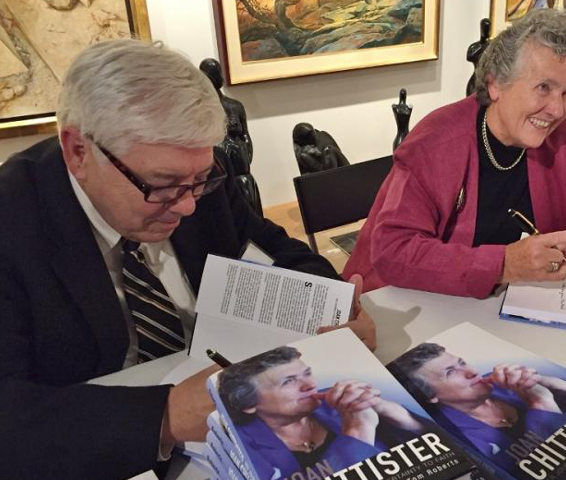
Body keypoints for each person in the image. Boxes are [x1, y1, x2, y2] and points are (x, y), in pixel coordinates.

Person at [0, 39, 375, 479]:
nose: (188, 206)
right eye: (162, 184)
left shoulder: (195, 177)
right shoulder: (13, 222)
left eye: (199, 180)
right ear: (79, 152)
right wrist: (165, 415)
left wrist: (334, 309)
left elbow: (278, 247)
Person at [344, 9, 566, 298]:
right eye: (543, 87)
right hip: (405, 309)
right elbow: (393, 252)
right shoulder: (436, 143)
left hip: (505, 312)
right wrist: (503, 264)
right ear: (495, 85)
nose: (558, 109)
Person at [217, 346, 425, 480]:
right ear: (249, 403)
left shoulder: (340, 401)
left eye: (307, 374)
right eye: (288, 381)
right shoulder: (239, 445)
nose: (310, 385)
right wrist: (357, 434)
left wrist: (399, 417)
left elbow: (443, 450)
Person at [390, 343, 566, 471]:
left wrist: (558, 385)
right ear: (431, 396)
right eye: (451, 372)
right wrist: (542, 405)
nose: (471, 371)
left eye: (462, 362)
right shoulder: (452, 438)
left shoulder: (507, 380)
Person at [198, 57, 263, 216]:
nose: (216, 77)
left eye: (217, 73)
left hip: (242, 173)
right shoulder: (199, 109)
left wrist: (245, 158)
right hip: (218, 177)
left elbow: (245, 135)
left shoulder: (234, 105)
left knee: (251, 212)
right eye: (210, 74)